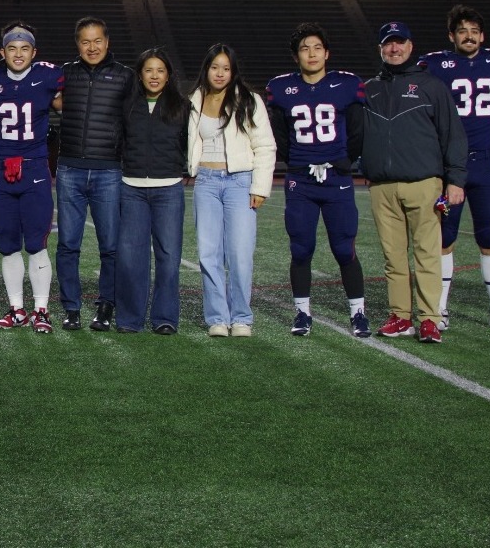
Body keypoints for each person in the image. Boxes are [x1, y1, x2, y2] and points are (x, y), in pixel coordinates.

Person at [419, 6, 490, 332]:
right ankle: (439, 309)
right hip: (451, 164)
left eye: (474, 30)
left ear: (483, 35)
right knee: (445, 238)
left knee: (489, 236)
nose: (469, 36)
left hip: (487, 161)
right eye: (462, 31)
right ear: (451, 36)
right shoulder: (437, 64)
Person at [363, 22, 468, 344]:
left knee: (427, 253)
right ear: (381, 48)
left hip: (424, 183)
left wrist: (456, 179)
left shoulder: (432, 86)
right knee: (393, 257)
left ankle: (429, 319)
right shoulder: (369, 88)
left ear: (410, 46)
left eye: (399, 43)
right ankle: (400, 316)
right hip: (382, 186)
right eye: (388, 44)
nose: (394, 49)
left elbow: (453, 134)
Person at [266, 24, 371, 338]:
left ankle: (358, 313)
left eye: (316, 48)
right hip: (302, 182)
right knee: (301, 248)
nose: (311, 54)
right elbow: (281, 137)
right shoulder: (282, 88)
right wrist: (300, 164)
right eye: (304, 49)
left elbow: (357, 132)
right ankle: (302, 311)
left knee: (344, 248)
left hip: (337, 178)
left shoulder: (346, 84)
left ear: (327, 52)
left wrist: (342, 162)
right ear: (296, 56)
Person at [0, 24, 62, 333]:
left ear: (34, 52)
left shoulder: (48, 75)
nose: (18, 54)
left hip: (35, 167)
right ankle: (16, 309)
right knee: (7, 243)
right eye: (12, 48)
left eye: (24, 48)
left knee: (37, 243)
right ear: (2, 52)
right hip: (1, 168)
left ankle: (41, 308)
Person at [189, 44, 275, 338]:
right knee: (208, 252)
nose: (220, 73)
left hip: (240, 181)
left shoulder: (249, 100)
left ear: (233, 71)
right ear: (207, 69)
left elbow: (265, 145)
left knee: (239, 253)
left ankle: (241, 317)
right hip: (206, 182)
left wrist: (260, 187)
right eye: (215, 67)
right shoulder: (195, 100)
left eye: (226, 68)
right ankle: (216, 317)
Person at [56, 16, 136, 331]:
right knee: (68, 245)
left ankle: (105, 306)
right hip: (69, 169)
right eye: (85, 41)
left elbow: (135, 121)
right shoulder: (65, 73)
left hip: (109, 171)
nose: (92, 47)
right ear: (78, 44)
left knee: (111, 246)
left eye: (97, 40)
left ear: (107, 41)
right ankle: (71, 308)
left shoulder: (126, 76)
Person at [114, 48, 190, 334]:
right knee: (131, 256)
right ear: (140, 74)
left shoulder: (181, 106)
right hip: (132, 188)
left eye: (160, 70)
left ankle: (164, 318)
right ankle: (130, 319)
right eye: (149, 70)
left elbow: (187, 142)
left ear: (168, 74)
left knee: (168, 257)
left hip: (168, 189)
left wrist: (184, 168)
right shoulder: (128, 105)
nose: (154, 75)